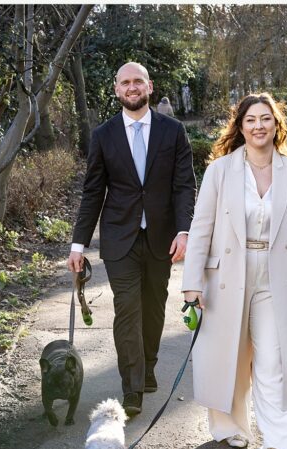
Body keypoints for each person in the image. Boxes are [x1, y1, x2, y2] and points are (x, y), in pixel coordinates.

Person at [181, 93, 287, 449]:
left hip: (275, 277)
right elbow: (201, 227)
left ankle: (279, 446)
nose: (258, 126)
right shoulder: (221, 171)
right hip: (226, 275)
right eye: (251, 119)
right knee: (231, 359)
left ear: (277, 125)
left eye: (266, 119)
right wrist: (192, 283)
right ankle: (231, 428)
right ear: (240, 126)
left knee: (274, 360)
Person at [68, 62, 196, 417]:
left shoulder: (173, 132)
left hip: (161, 237)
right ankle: (132, 387)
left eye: (138, 80)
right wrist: (78, 244)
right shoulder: (103, 135)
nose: (132, 86)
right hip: (119, 238)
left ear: (149, 86)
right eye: (125, 82)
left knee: (154, 305)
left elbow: (185, 185)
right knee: (127, 308)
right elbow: (93, 192)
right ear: (116, 89)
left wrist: (184, 230)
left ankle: (149, 365)